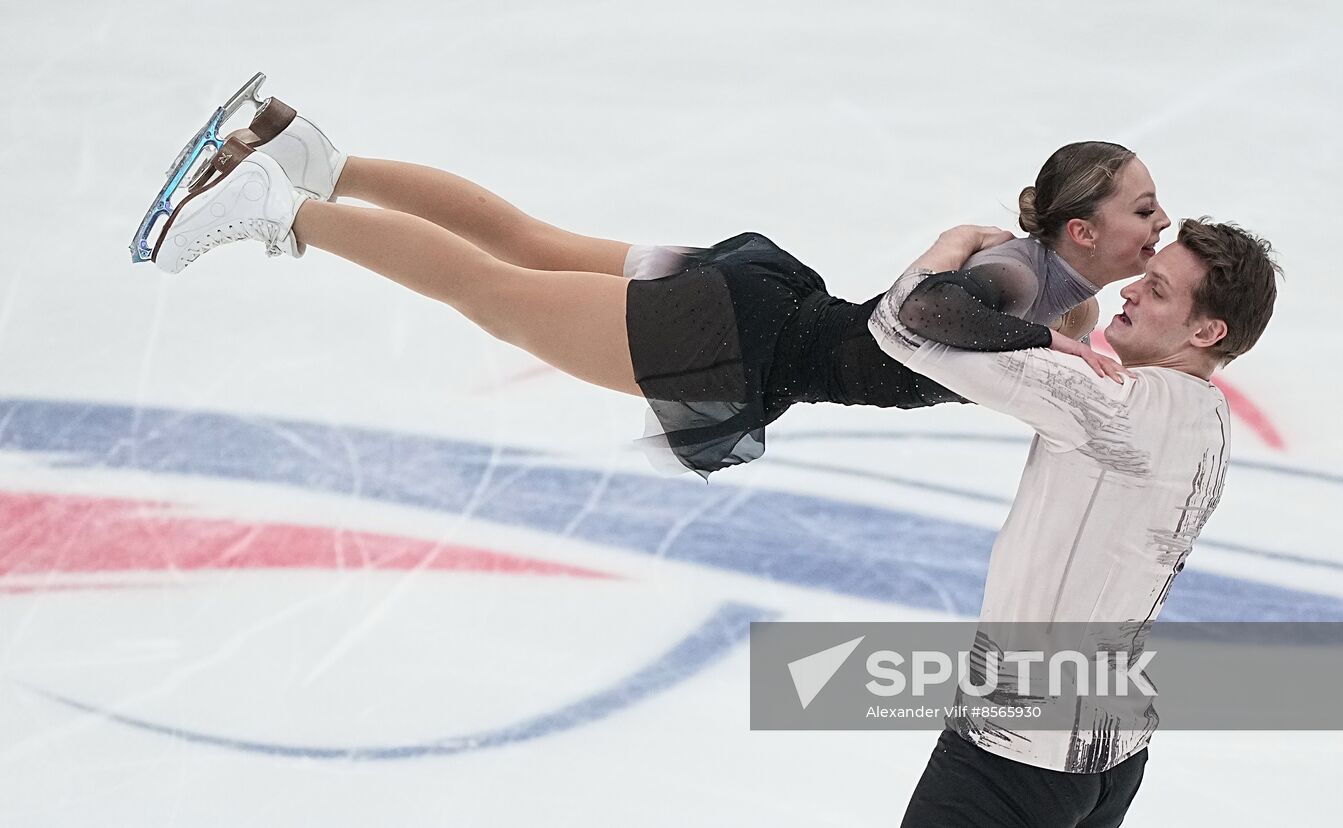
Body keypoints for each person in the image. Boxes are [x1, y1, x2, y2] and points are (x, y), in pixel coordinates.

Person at [146, 92, 1168, 476]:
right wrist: (1043, 342)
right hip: (727, 339)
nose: (1155, 226)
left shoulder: (1063, 294)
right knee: (488, 287)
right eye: (1142, 210)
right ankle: (273, 208)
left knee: (522, 240)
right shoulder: (1007, 275)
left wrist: (1086, 346)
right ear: (1080, 227)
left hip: (754, 307)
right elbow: (922, 314)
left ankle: (315, 157)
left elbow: (1087, 357)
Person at [879, 219, 1281, 827]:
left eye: (1159, 291)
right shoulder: (1210, 417)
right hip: (1113, 757)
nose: (1132, 291)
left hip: (1012, 755)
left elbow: (903, 326)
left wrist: (954, 245)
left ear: (1207, 330)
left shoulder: (1111, 403)